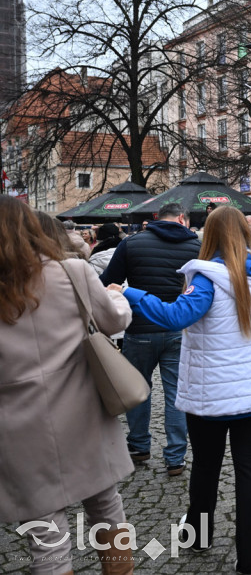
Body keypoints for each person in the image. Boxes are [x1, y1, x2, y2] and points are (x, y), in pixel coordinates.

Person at [122, 206, 251, 575]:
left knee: (207, 464)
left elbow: (175, 317)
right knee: (250, 468)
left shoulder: (208, 277)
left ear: (207, 234)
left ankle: (198, 534)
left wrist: (133, 293)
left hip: (212, 393)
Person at [0, 197, 135, 574]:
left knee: (45, 534)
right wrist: (116, 297)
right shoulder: (72, 271)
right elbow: (113, 321)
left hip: (16, 425)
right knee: (107, 505)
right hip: (81, 410)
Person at [101, 202, 200, 475]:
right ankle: (176, 456)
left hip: (140, 329)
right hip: (179, 329)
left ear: (158, 218)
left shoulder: (132, 244)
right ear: (182, 218)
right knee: (176, 394)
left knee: (137, 389)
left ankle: (139, 445)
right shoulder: (196, 247)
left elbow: (109, 281)